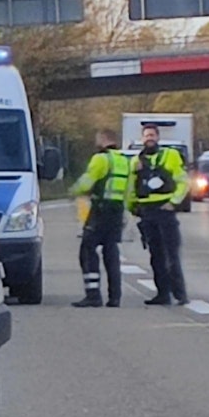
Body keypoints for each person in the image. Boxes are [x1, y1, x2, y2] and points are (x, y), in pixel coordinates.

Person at [68, 129, 132, 308]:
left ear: (104, 139)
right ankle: (115, 296)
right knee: (111, 252)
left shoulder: (101, 159)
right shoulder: (123, 161)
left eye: (97, 138)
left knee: (87, 250)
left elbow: (87, 181)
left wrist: (73, 191)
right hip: (116, 210)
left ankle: (93, 294)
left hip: (100, 210)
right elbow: (129, 188)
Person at [129, 124, 190, 306]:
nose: (150, 138)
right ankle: (162, 294)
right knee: (156, 256)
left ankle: (180, 294)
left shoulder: (170, 156)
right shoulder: (136, 162)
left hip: (165, 211)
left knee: (171, 255)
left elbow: (183, 182)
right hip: (147, 212)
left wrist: (174, 202)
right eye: (147, 135)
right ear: (142, 139)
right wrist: (132, 206)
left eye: (153, 135)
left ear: (158, 137)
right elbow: (131, 187)